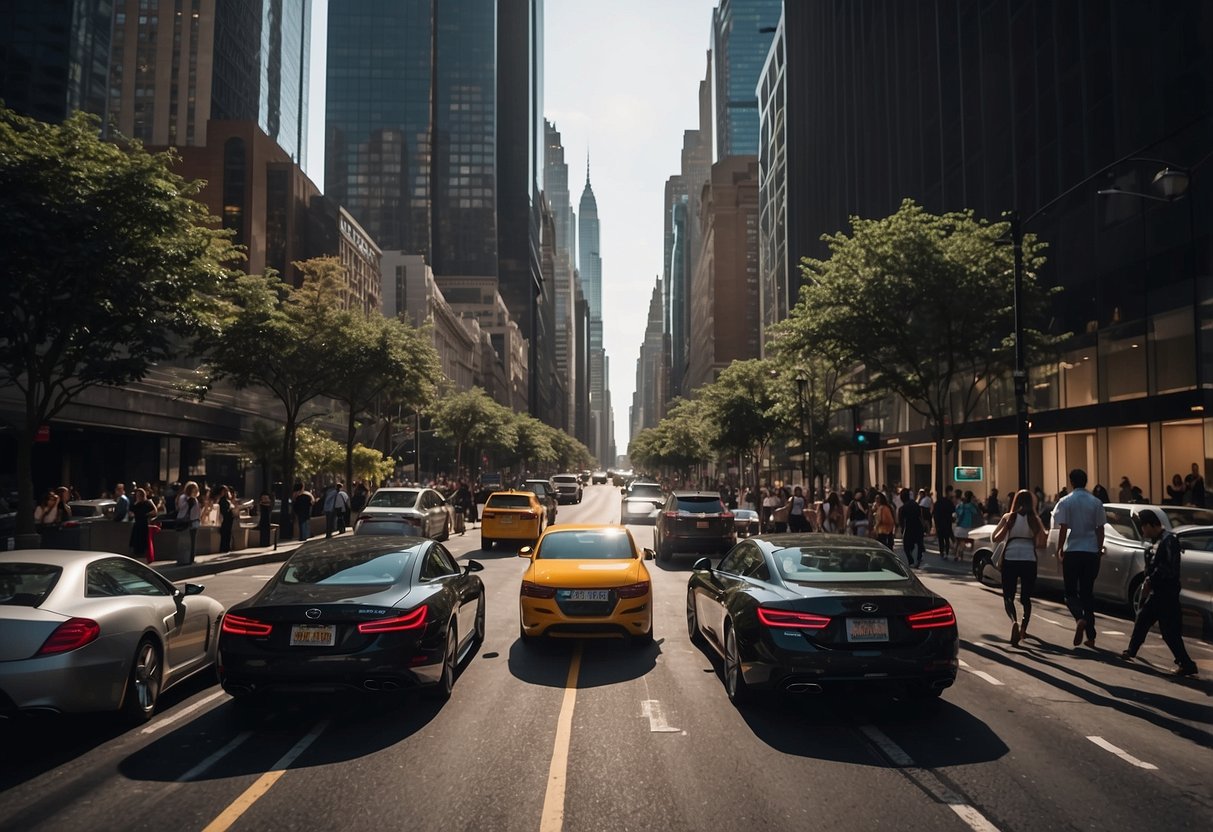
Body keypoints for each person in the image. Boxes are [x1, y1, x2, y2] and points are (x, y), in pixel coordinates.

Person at [1121, 509, 1198, 676]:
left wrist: (1151, 579)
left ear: (1150, 525)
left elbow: (1169, 568)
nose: (1143, 531)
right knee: (1143, 619)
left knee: (1169, 631)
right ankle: (1131, 650)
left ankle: (1186, 663)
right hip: (1158, 592)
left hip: (1166, 593)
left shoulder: (1169, 541)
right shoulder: (1155, 542)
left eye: (1143, 527)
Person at [1053, 468, 1105, 648]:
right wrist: (1098, 551)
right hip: (1091, 551)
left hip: (1073, 550)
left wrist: (1060, 548)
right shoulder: (1096, 502)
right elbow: (1100, 529)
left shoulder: (1066, 501)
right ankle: (1091, 637)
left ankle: (1079, 618)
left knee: (1069, 593)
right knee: (1087, 594)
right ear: (1086, 481)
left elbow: (1063, 527)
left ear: (1071, 482)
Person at [992, 489, 1046, 647]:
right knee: (1025, 598)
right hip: (1029, 559)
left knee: (1008, 595)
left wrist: (1008, 528)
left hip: (1010, 558)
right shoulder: (1034, 519)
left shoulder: (1009, 517)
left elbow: (995, 538)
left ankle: (1013, 621)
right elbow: (1043, 541)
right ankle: (1023, 629)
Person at [898, 487, 925, 568]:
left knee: (906, 546)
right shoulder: (915, 504)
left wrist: (902, 529)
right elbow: (920, 516)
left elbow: (901, 520)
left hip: (909, 527)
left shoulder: (902, 508)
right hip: (918, 525)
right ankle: (919, 558)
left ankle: (911, 561)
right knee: (919, 543)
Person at [129, 488, 157, 562]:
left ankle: (142, 557)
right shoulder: (135, 504)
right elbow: (131, 513)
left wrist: (147, 514)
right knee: (136, 542)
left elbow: (154, 512)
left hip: (143, 525)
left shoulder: (147, 503)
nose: (138, 497)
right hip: (137, 525)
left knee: (143, 542)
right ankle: (136, 556)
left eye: (139, 495)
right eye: (137, 495)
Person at [954, 491, 981, 560]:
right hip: (968, 526)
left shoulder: (961, 505)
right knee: (964, 540)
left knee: (958, 541)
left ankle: (956, 554)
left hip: (960, 524)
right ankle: (961, 554)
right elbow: (976, 512)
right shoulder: (971, 506)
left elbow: (957, 512)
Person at [933, 489, 955, 559]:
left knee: (941, 539)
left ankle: (941, 551)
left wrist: (936, 524)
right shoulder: (949, 502)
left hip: (939, 523)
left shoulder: (937, 503)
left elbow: (934, 514)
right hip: (947, 523)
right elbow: (953, 511)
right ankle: (947, 552)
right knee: (946, 538)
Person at [217, 485, 236, 553]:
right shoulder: (222, 500)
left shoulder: (227, 500)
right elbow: (224, 510)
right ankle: (224, 548)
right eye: (224, 491)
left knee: (228, 534)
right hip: (225, 519)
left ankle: (227, 547)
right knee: (225, 533)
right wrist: (230, 508)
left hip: (229, 519)